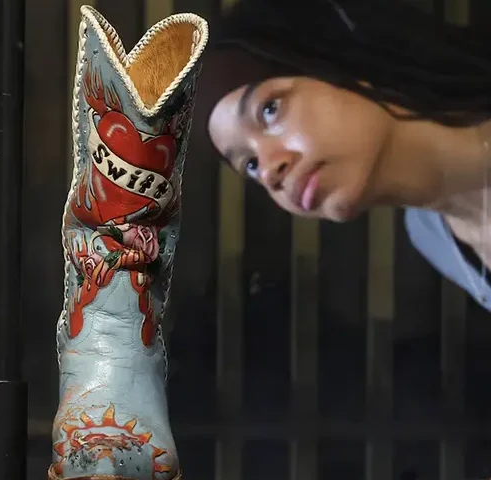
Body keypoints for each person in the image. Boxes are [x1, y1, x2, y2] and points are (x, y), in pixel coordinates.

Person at [206, 0, 491, 308]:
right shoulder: (433, 239)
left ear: (340, 64)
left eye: (270, 110)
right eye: (250, 164)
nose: (268, 171)